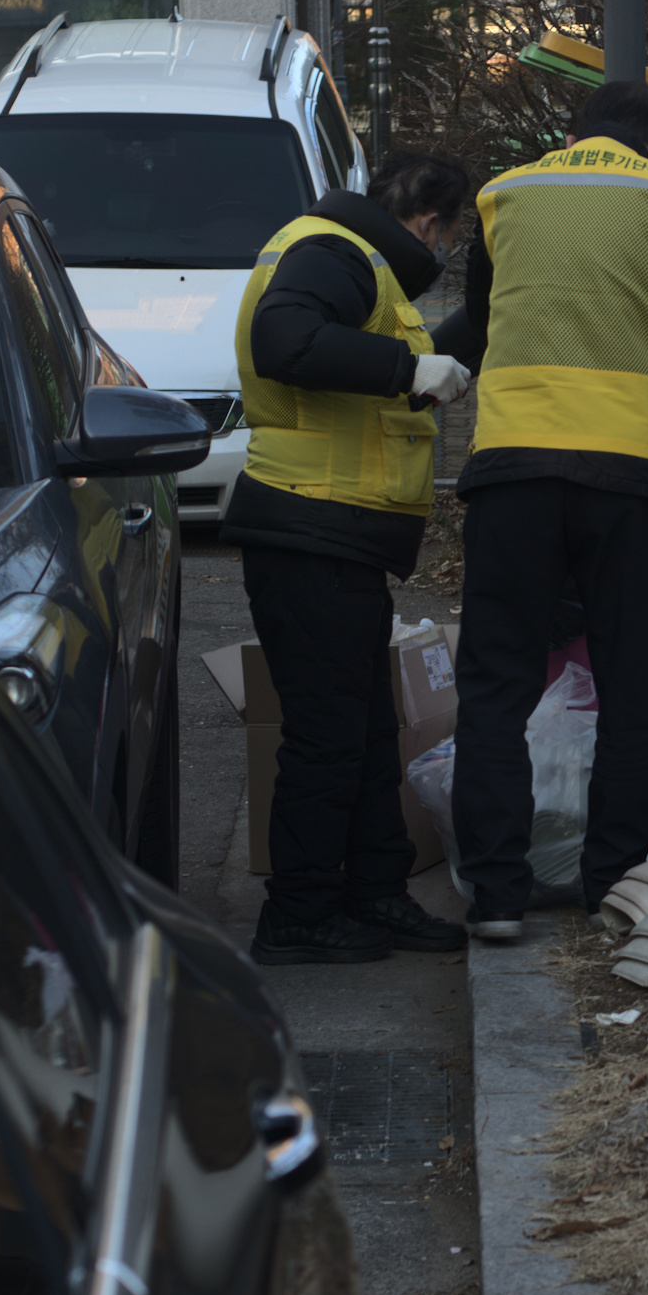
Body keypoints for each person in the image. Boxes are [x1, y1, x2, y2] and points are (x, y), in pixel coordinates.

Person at [440, 81, 648, 939]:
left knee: (496, 685)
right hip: (630, 478)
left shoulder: (506, 194)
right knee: (634, 689)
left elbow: (479, 324)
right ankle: (612, 889)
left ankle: (498, 896)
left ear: (572, 134)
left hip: (510, 471)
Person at [223, 149, 478, 964]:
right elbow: (285, 341)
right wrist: (409, 367)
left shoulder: (356, 261)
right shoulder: (333, 252)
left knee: (367, 732)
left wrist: (454, 337)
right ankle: (296, 915)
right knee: (328, 736)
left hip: (338, 535)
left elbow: (375, 363)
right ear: (431, 223)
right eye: (448, 238)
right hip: (308, 530)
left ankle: (375, 894)